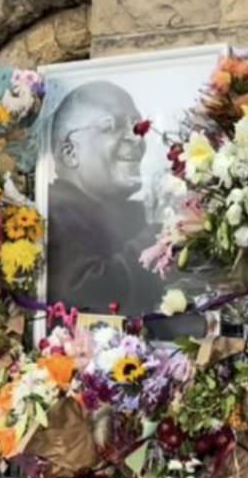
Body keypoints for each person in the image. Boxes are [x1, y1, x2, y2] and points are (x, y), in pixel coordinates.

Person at [46, 80, 164, 317]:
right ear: (70, 152)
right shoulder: (53, 215)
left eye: (136, 126)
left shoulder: (131, 212)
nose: (136, 139)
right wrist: (161, 233)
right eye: (112, 126)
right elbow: (93, 294)